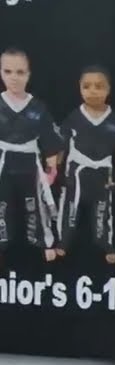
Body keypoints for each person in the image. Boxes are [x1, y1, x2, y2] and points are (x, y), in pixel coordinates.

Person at [56, 65, 115, 266]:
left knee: (102, 212)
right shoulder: (73, 117)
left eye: (99, 86)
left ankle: (105, 243)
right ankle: (62, 242)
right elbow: (60, 146)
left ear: (108, 90)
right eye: (87, 86)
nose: (92, 91)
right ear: (80, 88)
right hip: (76, 171)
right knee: (69, 210)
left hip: (102, 173)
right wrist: (56, 170)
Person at [0, 48, 62, 265]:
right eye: (8, 71)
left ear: (28, 75)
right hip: (3, 163)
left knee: (34, 205)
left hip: (30, 163)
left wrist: (51, 170)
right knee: (1, 205)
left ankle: (43, 242)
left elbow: (50, 141)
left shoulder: (38, 108)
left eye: (19, 72)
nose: (14, 77)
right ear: (1, 73)